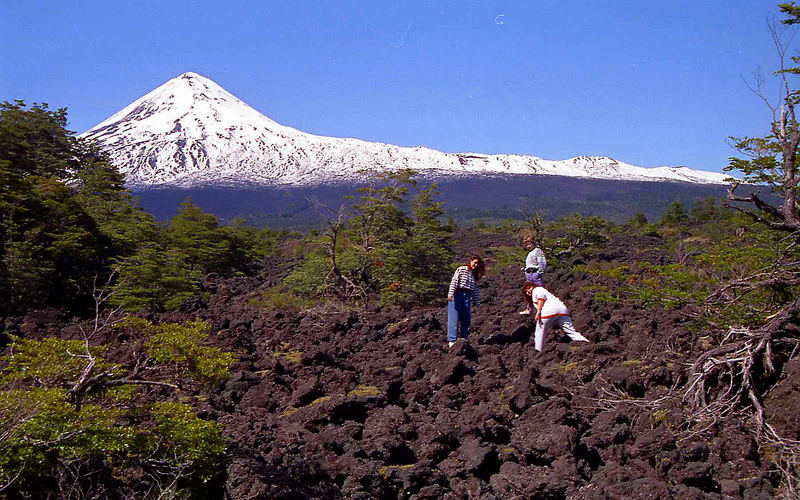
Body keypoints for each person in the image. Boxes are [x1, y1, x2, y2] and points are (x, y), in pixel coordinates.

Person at [522, 282, 589, 352]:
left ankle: (538, 351)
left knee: (539, 332)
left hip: (549, 310)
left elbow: (540, 299)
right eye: (526, 291)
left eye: (529, 288)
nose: (528, 291)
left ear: (533, 286)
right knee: (570, 331)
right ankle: (585, 343)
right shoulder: (542, 292)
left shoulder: (537, 289)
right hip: (562, 310)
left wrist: (538, 312)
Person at [446, 255, 485, 347]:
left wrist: (477, 302)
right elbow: (454, 281)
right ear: (470, 261)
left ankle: (464, 339)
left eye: (477, 264)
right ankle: (452, 340)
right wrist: (450, 293)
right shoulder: (462, 269)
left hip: (467, 296)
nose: (475, 265)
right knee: (454, 317)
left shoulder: (474, 274)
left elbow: (474, 289)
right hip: (457, 293)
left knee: (466, 318)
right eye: (474, 262)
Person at [519, 234, 547, 315]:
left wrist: (539, 273)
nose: (528, 246)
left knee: (539, 292)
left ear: (534, 243)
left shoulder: (538, 251)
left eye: (529, 244)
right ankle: (530, 309)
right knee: (529, 293)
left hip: (535, 274)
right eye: (526, 244)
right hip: (529, 274)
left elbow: (542, 263)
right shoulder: (530, 253)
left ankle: (542, 310)